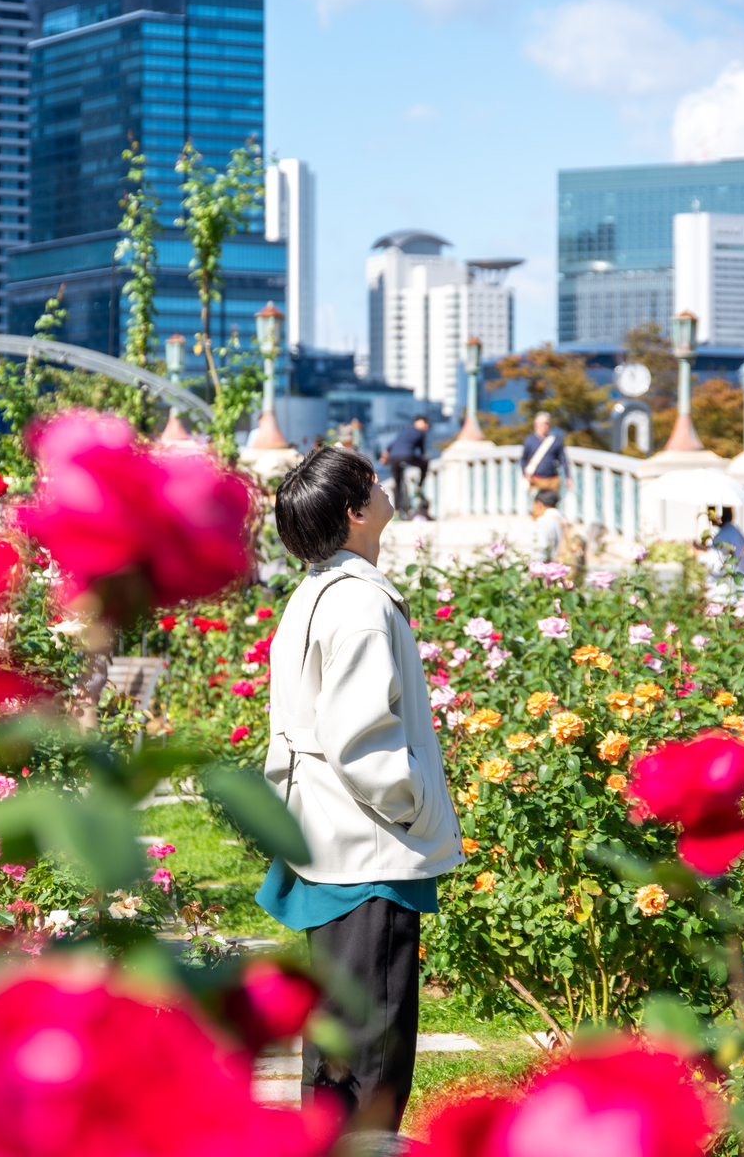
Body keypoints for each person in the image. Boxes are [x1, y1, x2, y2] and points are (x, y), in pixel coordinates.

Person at [258, 446, 463, 1131]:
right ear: (353, 514)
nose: (381, 489)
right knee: (372, 1055)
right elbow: (361, 743)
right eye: (369, 485)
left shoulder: (316, 592)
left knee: (338, 1045)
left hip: (327, 836)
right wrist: (413, 807)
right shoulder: (360, 607)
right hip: (366, 845)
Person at [380, 415, 430, 512]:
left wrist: (383, 460)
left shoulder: (403, 432)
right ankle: (419, 486)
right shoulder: (420, 432)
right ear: (419, 423)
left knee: (397, 484)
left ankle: (397, 511)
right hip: (407, 456)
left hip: (393, 458)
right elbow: (422, 453)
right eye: (425, 424)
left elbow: (388, 448)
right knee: (424, 463)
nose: (426, 426)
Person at [521, 412, 571, 496]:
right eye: (540, 424)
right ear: (535, 425)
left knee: (551, 505)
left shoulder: (556, 440)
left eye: (546, 424)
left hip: (553, 479)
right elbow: (523, 459)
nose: (543, 426)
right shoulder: (529, 440)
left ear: (549, 425)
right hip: (535, 479)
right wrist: (525, 474)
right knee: (538, 506)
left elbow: (563, 459)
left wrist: (567, 476)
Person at [531, 488, 564, 562]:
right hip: (562, 565)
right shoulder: (563, 520)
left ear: (539, 504)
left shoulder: (543, 521)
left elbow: (541, 550)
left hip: (549, 567)